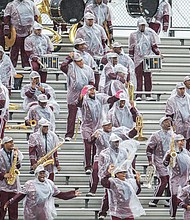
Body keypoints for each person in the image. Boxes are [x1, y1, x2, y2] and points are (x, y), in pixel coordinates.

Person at [4, 164, 81, 220]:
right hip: (30, 211)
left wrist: (72, 194)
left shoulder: (50, 184)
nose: (42, 175)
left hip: (43, 210)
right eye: (40, 173)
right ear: (37, 174)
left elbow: (60, 195)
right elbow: (20, 196)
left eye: (43, 173)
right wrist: (9, 202)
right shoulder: (30, 184)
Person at [87, 119, 139, 196]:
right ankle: (92, 189)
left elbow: (128, 135)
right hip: (101, 156)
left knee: (122, 171)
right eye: (106, 125)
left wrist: (135, 129)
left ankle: (127, 188)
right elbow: (90, 142)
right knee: (95, 170)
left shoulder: (116, 131)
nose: (109, 126)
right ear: (102, 126)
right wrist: (94, 137)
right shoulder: (99, 132)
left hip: (115, 157)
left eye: (110, 124)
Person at [78, 85, 122, 174]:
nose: (92, 91)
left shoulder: (99, 97)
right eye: (90, 90)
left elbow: (108, 100)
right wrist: (81, 95)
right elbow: (79, 104)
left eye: (93, 89)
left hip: (97, 125)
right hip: (86, 126)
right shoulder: (85, 100)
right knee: (87, 146)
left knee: (96, 146)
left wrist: (116, 97)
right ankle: (87, 166)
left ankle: (94, 163)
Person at [98, 133, 140, 220]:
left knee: (127, 191)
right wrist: (107, 172)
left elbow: (127, 164)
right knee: (108, 193)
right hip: (111, 175)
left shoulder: (123, 151)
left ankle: (127, 208)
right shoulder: (105, 153)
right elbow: (102, 166)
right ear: (110, 142)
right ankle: (103, 212)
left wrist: (130, 175)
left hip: (122, 174)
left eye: (118, 142)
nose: (117, 143)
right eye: (115, 142)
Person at [60, 52, 95, 141]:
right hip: (73, 94)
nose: (81, 62)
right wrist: (69, 57)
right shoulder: (71, 69)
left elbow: (91, 81)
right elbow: (62, 67)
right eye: (78, 61)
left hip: (85, 94)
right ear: (74, 62)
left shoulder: (88, 69)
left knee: (88, 114)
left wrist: (87, 90)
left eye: (81, 60)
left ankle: (88, 131)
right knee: (72, 115)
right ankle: (69, 134)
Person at [129, 16, 161, 101]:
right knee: (138, 77)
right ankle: (138, 94)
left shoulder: (150, 34)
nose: (142, 27)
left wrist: (158, 53)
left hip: (147, 58)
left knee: (148, 77)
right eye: (141, 25)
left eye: (143, 25)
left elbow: (154, 46)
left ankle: (148, 94)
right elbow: (131, 48)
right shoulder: (133, 35)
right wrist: (131, 60)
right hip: (138, 59)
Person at [4, 0, 39, 68]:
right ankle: (12, 65)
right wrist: (7, 29)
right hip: (16, 31)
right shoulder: (11, 5)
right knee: (15, 49)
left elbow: (35, 16)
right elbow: (6, 17)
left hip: (28, 31)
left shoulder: (30, 4)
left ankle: (26, 64)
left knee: (26, 48)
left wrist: (36, 26)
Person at [146, 116, 173, 207]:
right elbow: (149, 150)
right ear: (161, 124)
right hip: (159, 160)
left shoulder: (173, 135)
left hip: (170, 161)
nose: (168, 123)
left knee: (170, 181)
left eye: (169, 122)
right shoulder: (155, 135)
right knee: (163, 181)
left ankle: (168, 200)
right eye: (165, 122)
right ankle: (154, 200)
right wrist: (150, 162)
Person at [163, 134, 190, 220]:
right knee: (174, 196)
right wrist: (169, 156)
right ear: (175, 142)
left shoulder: (186, 151)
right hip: (175, 177)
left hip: (185, 177)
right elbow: (165, 164)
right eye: (179, 141)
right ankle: (173, 215)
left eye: (182, 140)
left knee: (185, 195)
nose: (181, 142)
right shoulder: (170, 151)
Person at [0, 136, 23, 220]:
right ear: (4, 144)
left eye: (12, 142)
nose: (12, 144)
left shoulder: (15, 152)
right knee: (2, 209)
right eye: (10, 142)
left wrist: (16, 159)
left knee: (13, 210)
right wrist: (3, 175)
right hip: (2, 187)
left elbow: (18, 166)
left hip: (14, 186)